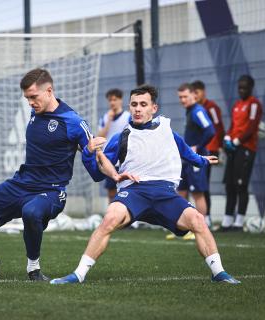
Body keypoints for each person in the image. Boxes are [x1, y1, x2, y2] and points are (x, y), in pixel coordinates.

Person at [50, 85, 240, 285]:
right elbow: (97, 174)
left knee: (197, 221)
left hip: (165, 193)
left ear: (154, 108)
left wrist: (201, 160)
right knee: (109, 219)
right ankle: (78, 274)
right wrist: (88, 153)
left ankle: (219, 273)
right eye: (133, 105)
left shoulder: (167, 131)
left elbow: (187, 153)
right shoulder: (121, 137)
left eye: (143, 104)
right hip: (134, 193)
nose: (137, 109)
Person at [0, 68, 105, 281]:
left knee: (31, 212)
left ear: (49, 91)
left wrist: (93, 154)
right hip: (19, 185)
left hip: (51, 192)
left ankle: (33, 269)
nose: (30, 103)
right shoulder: (36, 112)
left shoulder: (73, 122)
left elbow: (96, 174)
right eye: (27, 98)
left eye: (34, 97)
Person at [220, 75, 262, 231]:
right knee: (229, 185)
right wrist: (226, 138)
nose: (241, 90)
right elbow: (232, 126)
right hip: (233, 149)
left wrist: (236, 141)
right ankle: (227, 222)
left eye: (244, 87)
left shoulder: (254, 105)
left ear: (251, 88)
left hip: (246, 148)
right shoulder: (237, 105)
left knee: (241, 185)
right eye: (239, 87)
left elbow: (251, 127)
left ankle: (239, 222)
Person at [173, 83, 214, 238]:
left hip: (197, 158)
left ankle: (200, 229)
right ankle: (184, 229)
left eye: (185, 96)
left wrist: (199, 146)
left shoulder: (197, 111)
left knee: (197, 193)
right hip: (187, 159)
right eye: (180, 97)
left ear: (194, 95)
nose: (183, 100)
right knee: (181, 191)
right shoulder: (190, 111)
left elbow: (210, 130)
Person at [191, 80, 225, 227]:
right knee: (200, 185)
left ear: (203, 91)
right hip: (199, 151)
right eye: (193, 93)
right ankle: (204, 217)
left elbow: (218, 127)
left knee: (203, 186)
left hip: (209, 150)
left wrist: (219, 147)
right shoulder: (195, 109)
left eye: (197, 92)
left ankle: (207, 218)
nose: (195, 95)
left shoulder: (211, 108)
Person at [97, 89, 131, 203]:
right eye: (110, 100)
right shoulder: (105, 117)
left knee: (127, 190)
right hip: (110, 161)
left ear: (120, 100)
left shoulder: (128, 117)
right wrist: (109, 121)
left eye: (115, 99)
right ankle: (111, 216)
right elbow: (100, 136)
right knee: (111, 191)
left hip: (125, 160)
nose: (112, 102)